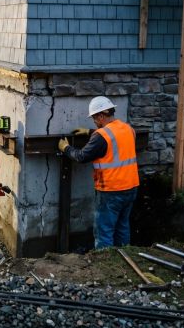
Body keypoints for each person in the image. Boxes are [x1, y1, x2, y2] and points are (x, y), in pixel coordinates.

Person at [57, 96, 139, 249]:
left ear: (101, 116)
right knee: (122, 226)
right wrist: (90, 132)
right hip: (131, 187)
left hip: (111, 191)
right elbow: (113, 138)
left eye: (94, 118)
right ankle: (124, 257)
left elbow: (82, 156)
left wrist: (65, 148)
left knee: (104, 231)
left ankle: (104, 263)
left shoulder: (101, 136)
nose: (94, 121)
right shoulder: (128, 129)